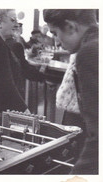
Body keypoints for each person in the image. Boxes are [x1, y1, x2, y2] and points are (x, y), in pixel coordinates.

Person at [43, 9, 98, 174]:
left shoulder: (89, 52)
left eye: (55, 33)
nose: (57, 41)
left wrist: (77, 175)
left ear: (70, 27)